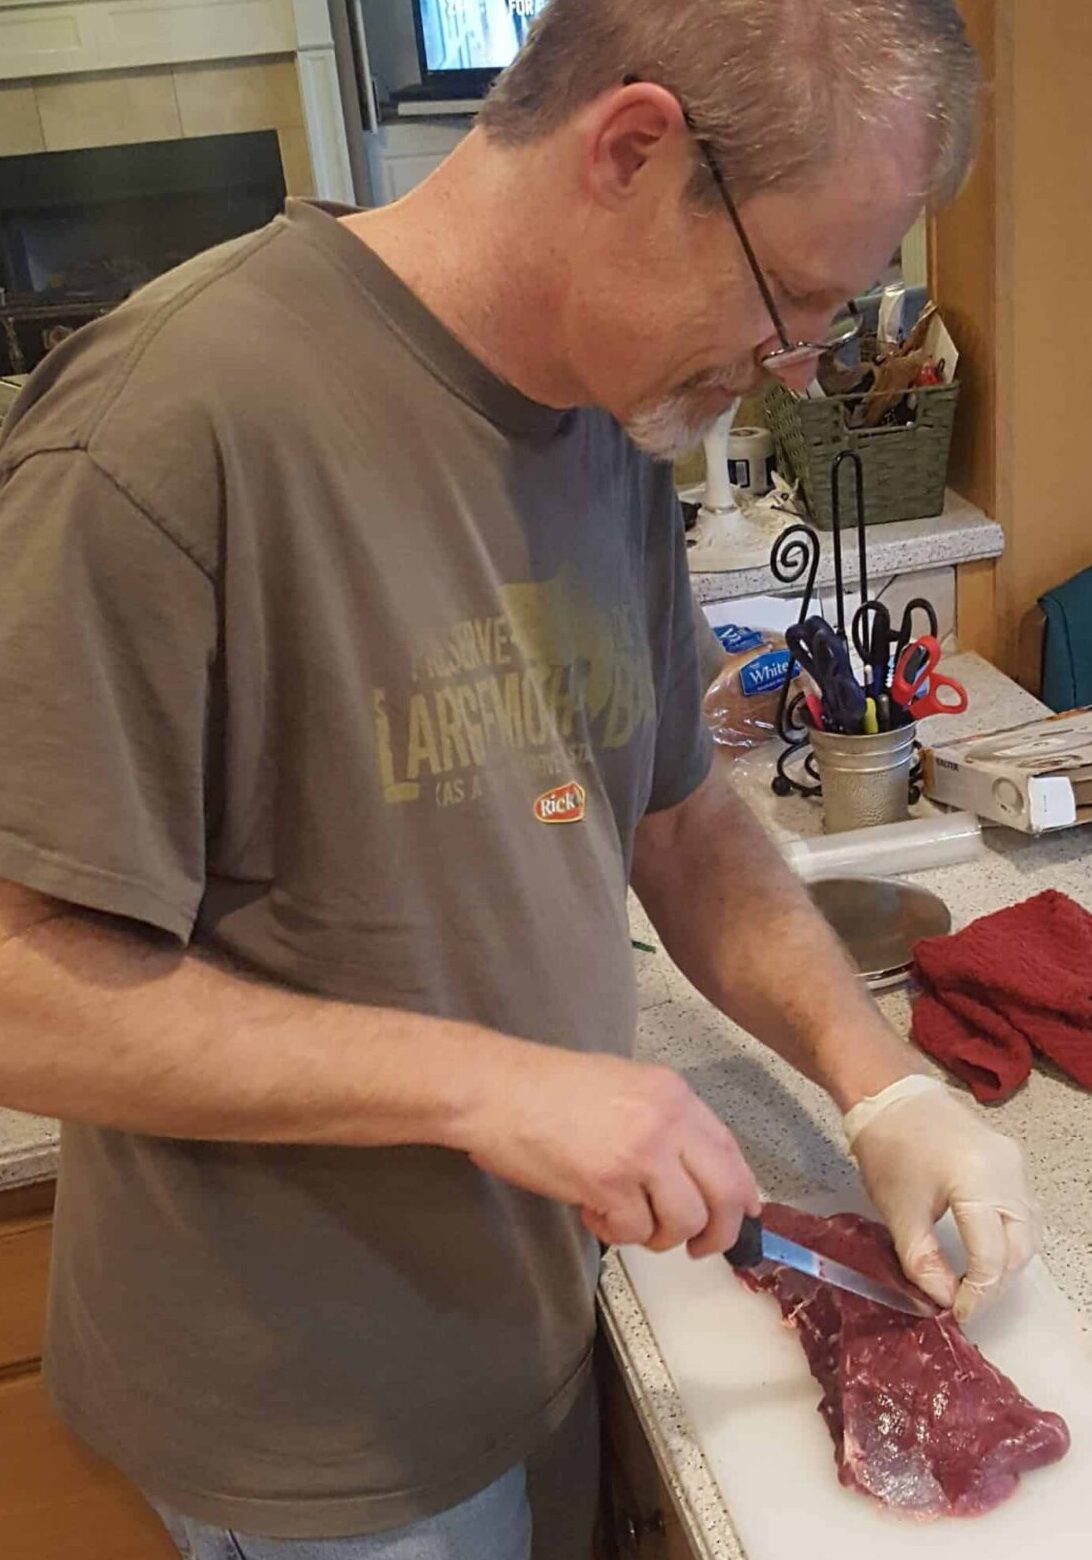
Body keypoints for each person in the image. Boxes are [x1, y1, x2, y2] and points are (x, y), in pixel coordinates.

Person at [0, 2, 1038, 1557]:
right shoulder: (171, 426)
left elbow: (680, 815)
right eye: (795, 299)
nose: (795, 367)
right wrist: (493, 1086)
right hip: (316, 1433)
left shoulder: (607, 413)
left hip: (542, 1324)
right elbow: (22, 989)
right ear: (632, 150)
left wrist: (875, 1079)